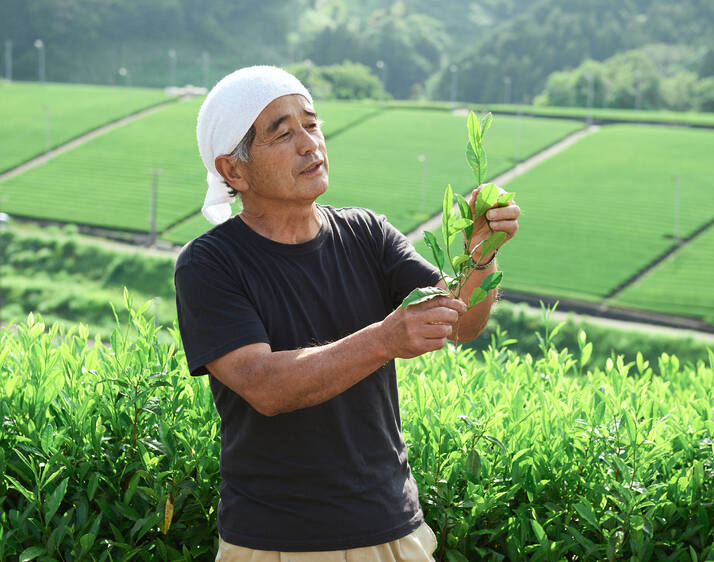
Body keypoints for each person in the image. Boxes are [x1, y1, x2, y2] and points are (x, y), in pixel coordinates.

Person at [174, 66, 521, 561]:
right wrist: (384, 340)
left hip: (392, 526)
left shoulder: (368, 234)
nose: (309, 143)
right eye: (283, 133)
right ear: (233, 170)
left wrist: (482, 254)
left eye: (312, 125)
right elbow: (264, 386)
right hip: (276, 541)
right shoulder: (210, 264)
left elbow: (461, 322)